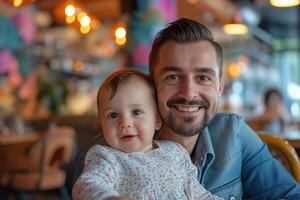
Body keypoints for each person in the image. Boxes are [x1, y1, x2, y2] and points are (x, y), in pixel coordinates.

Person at [72, 18, 300, 199]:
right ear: (153, 85)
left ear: (220, 87)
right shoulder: (105, 154)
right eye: (172, 76)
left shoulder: (234, 133)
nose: (189, 93)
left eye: (203, 77)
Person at [72, 68, 222, 200]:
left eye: (136, 112)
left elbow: (198, 194)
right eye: (113, 115)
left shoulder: (175, 152)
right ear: (101, 124)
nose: (125, 123)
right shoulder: (106, 157)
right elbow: (85, 184)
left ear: (156, 119)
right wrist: (107, 197)